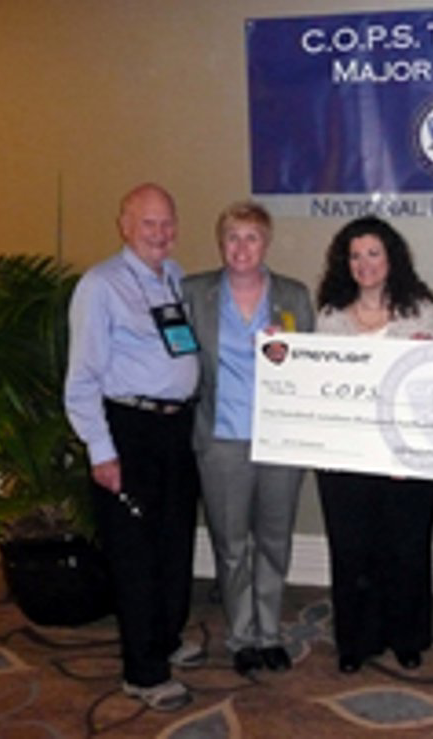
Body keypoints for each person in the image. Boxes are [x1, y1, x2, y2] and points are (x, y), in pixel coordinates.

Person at [64, 183, 203, 712]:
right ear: (125, 225)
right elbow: (81, 379)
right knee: (136, 557)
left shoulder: (173, 275)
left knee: (172, 543)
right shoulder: (100, 286)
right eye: (149, 224)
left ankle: (165, 638)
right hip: (128, 430)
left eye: (167, 223)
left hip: (174, 431)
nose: (160, 234)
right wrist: (102, 450)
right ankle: (143, 672)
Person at [182, 202, 314, 677]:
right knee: (231, 543)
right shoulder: (194, 292)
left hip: (280, 439)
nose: (241, 247)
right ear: (221, 243)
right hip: (221, 440)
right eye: (233, 237)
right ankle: (241, 636)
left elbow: (312, 369)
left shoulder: (294, 296)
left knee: (274, 541)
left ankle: (270, 632)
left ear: (266, 243)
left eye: (251, 237)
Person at [315, 215, 433, 674]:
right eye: (354, 255)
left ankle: (406, 637)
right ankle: (355, 641)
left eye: (373, 253)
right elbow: (321, 384)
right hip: (347, 457)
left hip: (406, 455)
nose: (364, 264)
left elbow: (430, 386)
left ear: (391, 258)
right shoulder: (329, 315)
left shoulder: (421, 310)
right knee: (352, 550)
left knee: (405, 549)